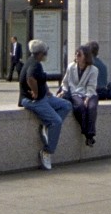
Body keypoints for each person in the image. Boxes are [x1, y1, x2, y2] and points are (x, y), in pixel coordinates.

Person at [19, 39, 72, 170]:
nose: (46, 55)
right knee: (57, 121)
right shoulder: (35, 65)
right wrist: (36, 93)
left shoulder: (34, 63)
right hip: (34, 100)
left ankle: (46, 126)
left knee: (66, 105)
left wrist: (46, 89)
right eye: (45, 53)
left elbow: (38, 77)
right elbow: (30, 78)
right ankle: (47, 151)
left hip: (44, 97)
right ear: (41, 53)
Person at [59, 44, 99, 146]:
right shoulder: (71, 66)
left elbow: (91, 86)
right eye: (76, 54)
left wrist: (87, 97)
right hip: (75, 92)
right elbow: (66, 82)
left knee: (91, 107)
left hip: (89, 93)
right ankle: (88, 134)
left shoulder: (93, 70)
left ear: (86, 56)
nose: (77, 56)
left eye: (79, 54)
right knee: (80, 106)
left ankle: (90, 134)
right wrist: (63, 91)